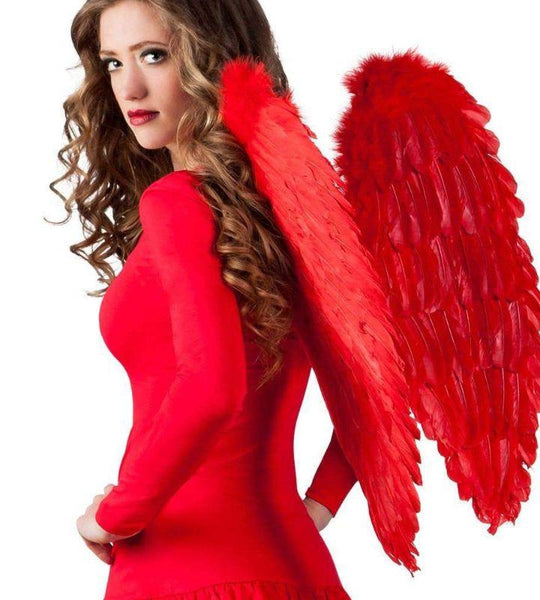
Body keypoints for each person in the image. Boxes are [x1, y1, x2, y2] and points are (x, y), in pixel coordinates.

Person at [51, 0, 358, 598]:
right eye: (113, 63)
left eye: (154, 55)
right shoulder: (300, 214)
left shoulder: (177, 202)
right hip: (290, 561)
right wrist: (317, 506)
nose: (128, 87)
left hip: (182, 568)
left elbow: (212, 385)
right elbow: (380, 386)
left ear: (216, 59)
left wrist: (115, 514)